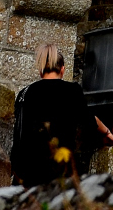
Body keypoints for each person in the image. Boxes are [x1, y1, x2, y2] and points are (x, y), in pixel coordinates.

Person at [11, 45, 103, 186]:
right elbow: (89, 125)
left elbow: (18, 135)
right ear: (62, 69)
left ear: (41, 70)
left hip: (26, 176)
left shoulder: (24, 93)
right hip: (57, 174)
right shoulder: (72, 91)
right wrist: (108, 135)